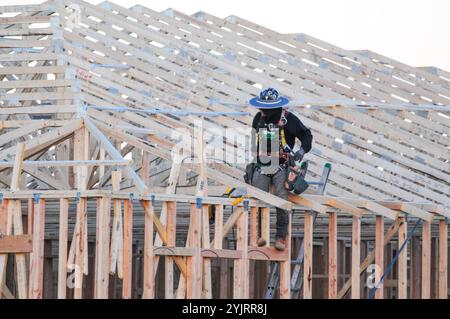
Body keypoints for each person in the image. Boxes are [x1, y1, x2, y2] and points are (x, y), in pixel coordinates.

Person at [247, 88, 313, 251]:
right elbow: (255, 142)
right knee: (258, 195)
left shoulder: (289, 120)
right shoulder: (258, 118)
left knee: (281, 198)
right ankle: (259, 234)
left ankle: (280, 237)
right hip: (263, 163)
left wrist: (302, 151)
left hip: (282, 164)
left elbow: (306, 135)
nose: (264, 112)